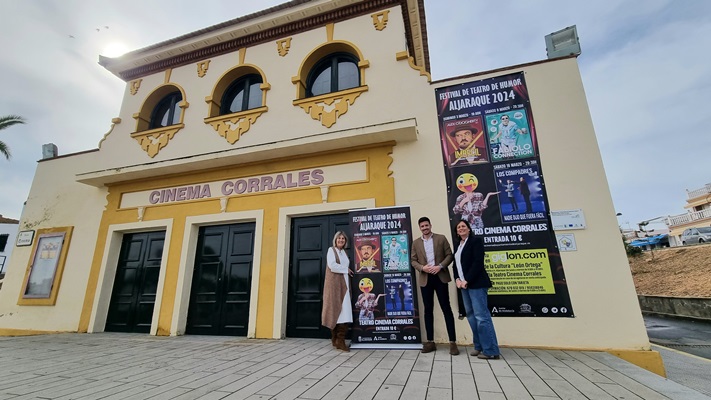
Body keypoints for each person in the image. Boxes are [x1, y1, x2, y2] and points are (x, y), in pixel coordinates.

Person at [411, 216, 459, 355]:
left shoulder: (441, 238)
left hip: (440, 277)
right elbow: (413, 260)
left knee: (446, 308)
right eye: (422, 226)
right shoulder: (416, 243)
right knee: (428, 310)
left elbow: (449, 255)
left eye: (426, 225)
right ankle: (430, 342)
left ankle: (453, 342)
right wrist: (422, 268)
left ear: (430, 225)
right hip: (426, 278)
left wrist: (440, 266)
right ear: (420, 228)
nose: (425, 228)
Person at [453, 219, 500, 360]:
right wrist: (457, 280)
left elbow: (478, 262)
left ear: (468, 229)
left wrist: (467, 280)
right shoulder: (458, 245)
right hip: (463, 286)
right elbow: (455, 265)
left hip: (476, 284)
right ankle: (479, 346)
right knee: (472, 316)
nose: (461, 228)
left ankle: (491, 349)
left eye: (463, 226)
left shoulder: (475, 242)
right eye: (458, 227)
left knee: (482, 317)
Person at [322, 231, 354, 352]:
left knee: (345, 310)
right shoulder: (332, 250)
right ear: (335, 240)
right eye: (339, 238)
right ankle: (337, 339)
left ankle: (338, 339)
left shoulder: (344, 252)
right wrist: (346, 269)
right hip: (335, 286)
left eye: (343, 239)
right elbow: (332, 265)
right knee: (335, 309)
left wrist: (347, 270)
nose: (341, 240)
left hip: (344, 285)